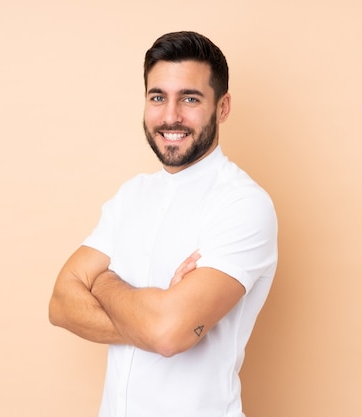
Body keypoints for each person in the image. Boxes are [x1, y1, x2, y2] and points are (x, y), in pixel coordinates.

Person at [49, 31, 278, 417]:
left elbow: (168, 334)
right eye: (158, 97)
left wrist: (103, 281)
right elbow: (60, 304)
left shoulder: (243, 204)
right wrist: (151, 318)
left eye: (189, 98)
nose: (171, 116)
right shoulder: (131, 195)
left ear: (222, 108)